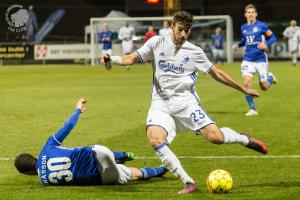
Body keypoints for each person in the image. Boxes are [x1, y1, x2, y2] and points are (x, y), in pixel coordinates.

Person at [101, 11, 269, 195]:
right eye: (180, 29)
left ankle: (243, 138)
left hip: (187, 105)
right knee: (155, 138)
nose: (183, 34)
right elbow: (131, 58)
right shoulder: (156, 42)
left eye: (187, 31)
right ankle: (188, 182)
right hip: (161, 105)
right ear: (172, 27)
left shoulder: (194, 51)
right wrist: (113, 58)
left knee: (216, 138)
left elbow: (216, 73)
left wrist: (242, 88)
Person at [14, 97, 168, 186]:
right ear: (33, 156)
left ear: (27, 173)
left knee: (136, 174)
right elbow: (68, 126)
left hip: (103, 177)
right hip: (99, 152)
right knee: (93, 153)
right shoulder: (47, 147)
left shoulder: (45, 181)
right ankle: (123, 155)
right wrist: (78, 110)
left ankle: (165, 167)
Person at [232, 4, 278, 116]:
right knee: (246, 83)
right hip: (248, 59)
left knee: (264, 87)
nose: (251, 14)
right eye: (249, 12)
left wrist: (266, 44)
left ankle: (270, 77)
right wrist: (238, 45)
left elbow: (273, 37)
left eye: (253, 12)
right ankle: (253, 109)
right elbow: (245, 41)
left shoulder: (262, 26)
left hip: (261, 59)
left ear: (256, 14)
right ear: (245, 14)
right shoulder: (243, 27)